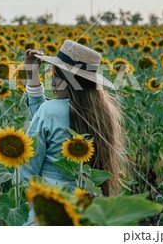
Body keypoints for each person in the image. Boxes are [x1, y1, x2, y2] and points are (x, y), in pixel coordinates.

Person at [20, 40, 126, 225]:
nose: (52, 82)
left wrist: (22, 200)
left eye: (57, 77)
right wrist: (33, 78)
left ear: (72, 81)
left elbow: (28, 166)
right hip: (85, 207)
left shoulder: (50, 111)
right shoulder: (102, 114)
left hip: (48, 206)